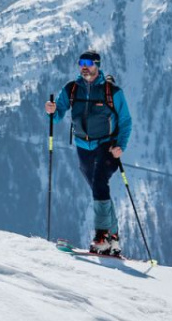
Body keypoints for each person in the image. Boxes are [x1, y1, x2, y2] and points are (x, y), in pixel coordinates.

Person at [43, 49, 134, 256]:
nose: (84, 67)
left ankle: (101, 237)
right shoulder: (72, 89)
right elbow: (57, 115)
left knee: (100, 183)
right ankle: (113, 238)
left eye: (89, 63)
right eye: (81, 62)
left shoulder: (112, 92)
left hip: (107, 145)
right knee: (98, 188)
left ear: (97, 65)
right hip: (83, 146)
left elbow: (126, 121)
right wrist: (51, 111)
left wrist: (120, 146)